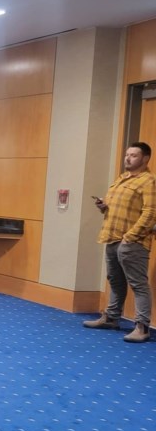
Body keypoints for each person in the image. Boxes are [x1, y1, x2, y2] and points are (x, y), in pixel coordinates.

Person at [83, 141, 155, 342]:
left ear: (145, 158)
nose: (128, 158)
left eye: (133, 155)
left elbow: (151, 212)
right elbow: (119, 206)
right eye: (127, 154)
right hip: (112, 236)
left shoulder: (148, 181)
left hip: (133, 242)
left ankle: (142, 327)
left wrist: (130, 237)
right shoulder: (122, 179)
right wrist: (104, 206)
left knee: (138, 284)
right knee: (115, 281)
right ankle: (111, 318)